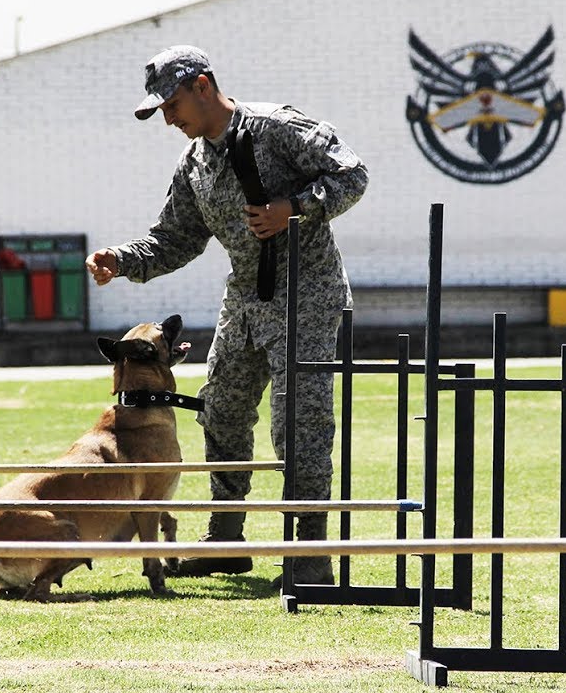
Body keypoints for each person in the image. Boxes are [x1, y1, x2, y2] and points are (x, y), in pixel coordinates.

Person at [85, 45, 368, 585]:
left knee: (300, 427)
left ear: (203, 85)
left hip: (306, 295)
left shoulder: (277, 129)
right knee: (221, 412)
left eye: (171, 104)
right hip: (244, 299)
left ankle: (309, 557)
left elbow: (352, 174)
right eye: (160, 110)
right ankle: (225, 540)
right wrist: (119, 260)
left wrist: (294, 208)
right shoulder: (195, 163)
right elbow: (174, 238)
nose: (167, 118)